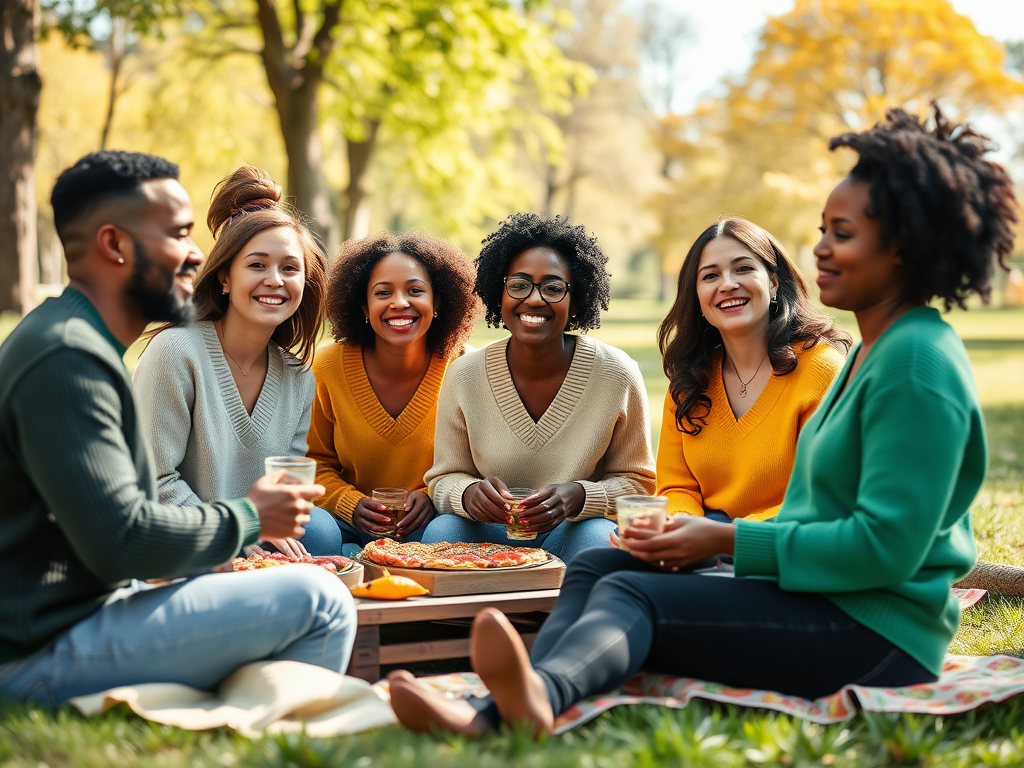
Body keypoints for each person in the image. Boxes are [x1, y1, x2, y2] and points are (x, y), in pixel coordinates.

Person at [388, 105, 1016, 736]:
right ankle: (533, 695)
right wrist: (701, 544)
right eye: (823, 230)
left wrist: (721, 542)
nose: (820, 248)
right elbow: (814, 512)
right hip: (822, 596)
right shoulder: (877, 354)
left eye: (842, 233)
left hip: (878, 633)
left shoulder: (914, 365)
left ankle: (509, 711)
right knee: (600, 566)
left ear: (905, 248)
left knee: (635, 596)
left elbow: (883, 549)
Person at [0, 151, 356, 705]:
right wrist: (248, 518)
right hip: (40, 650)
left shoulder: (78, 344)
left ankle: (236, 723)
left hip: (91, 611)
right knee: (321, 601)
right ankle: (260, 736)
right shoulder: (67, 357)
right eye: (179, 235)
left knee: (313, 571)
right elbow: (121, 543)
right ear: (115, 245)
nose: (197, 254)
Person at [420, 213, 656, 564]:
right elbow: (443, 478)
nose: (534, 300)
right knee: (444, 532)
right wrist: (467, 493)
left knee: (597, 538)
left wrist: (580, 496)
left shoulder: (617, 374)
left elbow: (638, 484)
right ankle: (470, 619)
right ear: (499, 292)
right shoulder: (464, 375)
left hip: (572, 531)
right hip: (491, 529)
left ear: (576, 302)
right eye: (519, 285)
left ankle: (564, 615)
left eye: (553, 288)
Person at [133, 165, 336, 558]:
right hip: (180, 537)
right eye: (257, 265)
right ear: (224, 278)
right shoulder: (175, 352)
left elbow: (284, 490)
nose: (275, 280)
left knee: (322, 536)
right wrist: (233, 537)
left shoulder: (297, 377)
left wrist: (269, 527)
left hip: (252, 534)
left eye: (290, 268)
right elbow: (152, 481)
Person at [656, 218, 850, 523]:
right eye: (710, 276)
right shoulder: (688, 381)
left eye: (743, 268)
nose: (727, 284)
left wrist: (718, 538)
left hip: (784, 544)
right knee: (597, 562)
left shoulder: (820, 368)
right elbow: (675, 486)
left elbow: (823, 494)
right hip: (702, 536)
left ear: (773, 281)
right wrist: (682, 525)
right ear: (696, 296)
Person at [306, 231, 480, 555]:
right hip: (347, 526)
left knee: (451, 529)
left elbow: (481, 465)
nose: (399, 302)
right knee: (312, 527)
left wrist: (432, 496)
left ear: (437, 302)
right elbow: (311, 461)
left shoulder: (466, 368)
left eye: (415, 290)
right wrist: (349, 503)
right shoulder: (327, 368)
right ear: (364, 306)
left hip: (432, 528)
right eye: (383, 292)